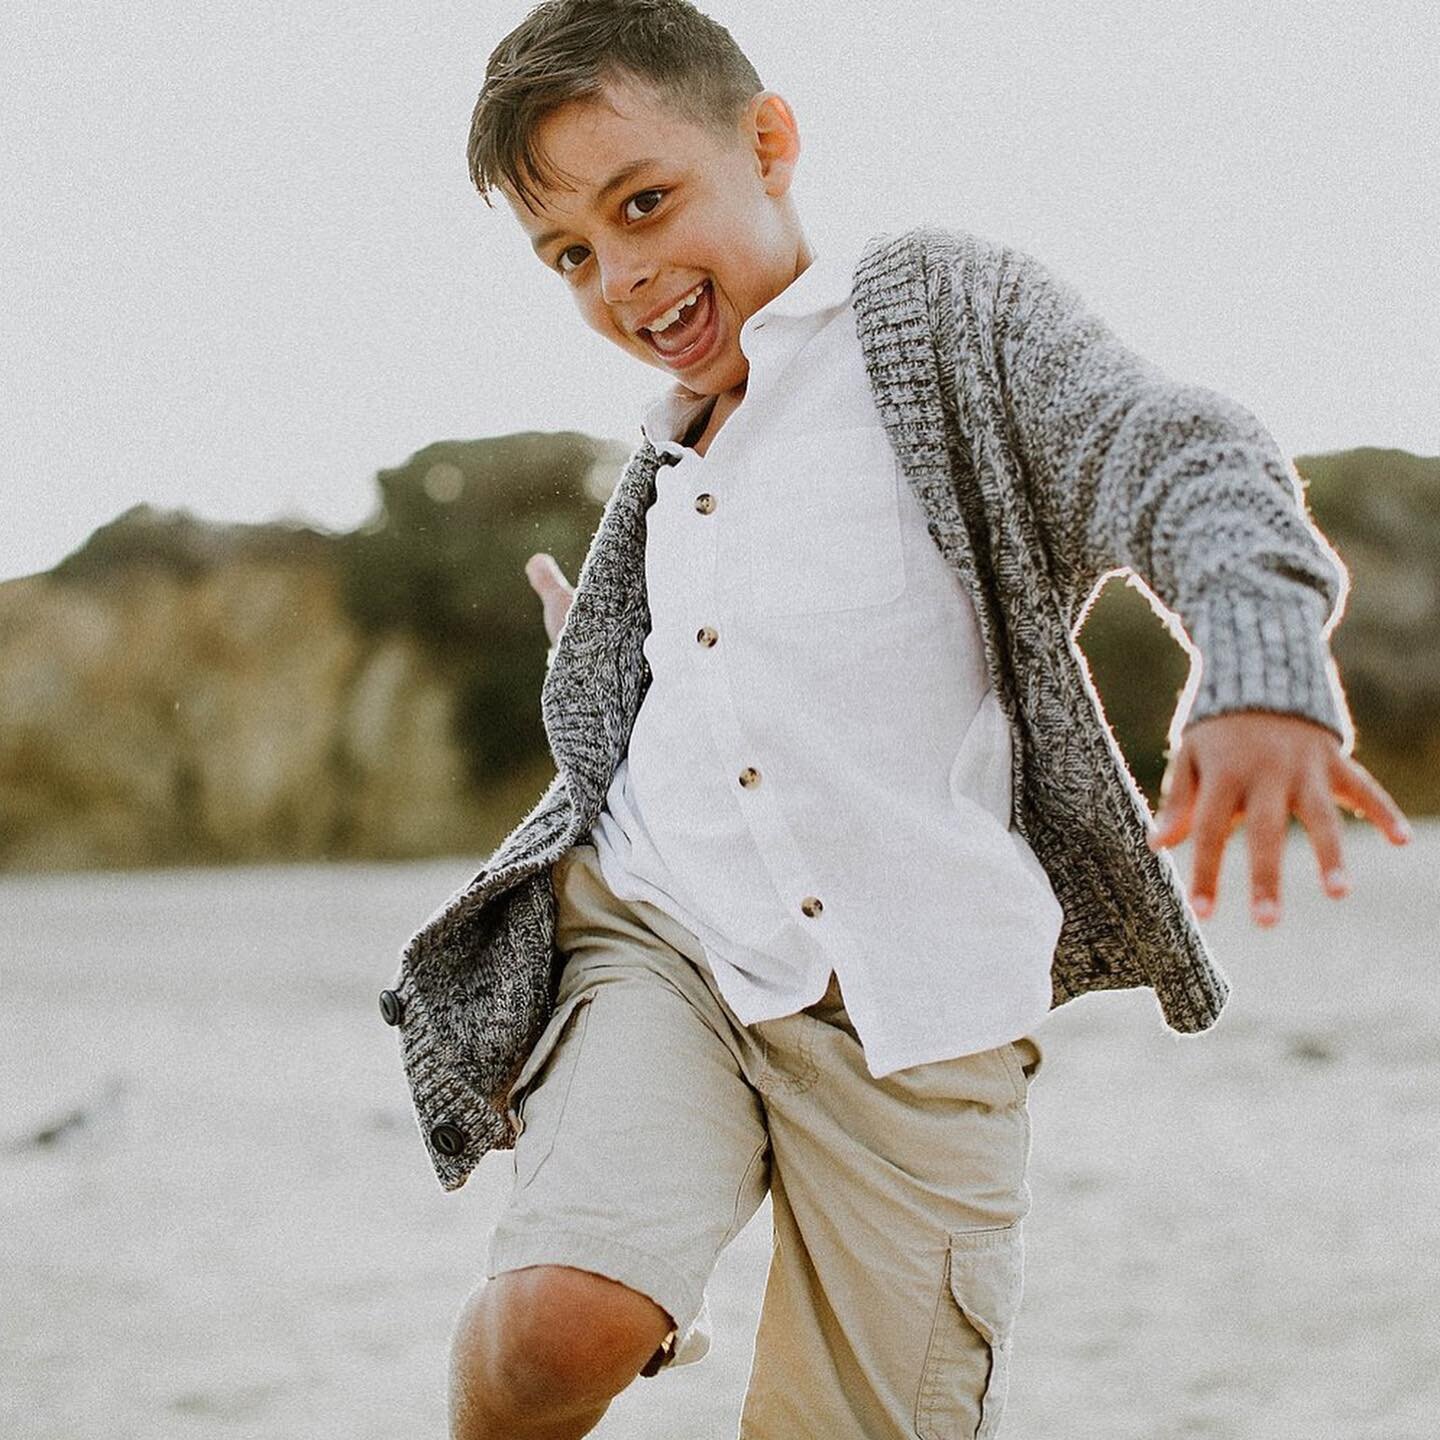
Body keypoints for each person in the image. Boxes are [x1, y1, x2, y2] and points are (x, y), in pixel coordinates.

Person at [376, 2, 1413, 1435]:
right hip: (661, 939)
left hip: (917, 1023)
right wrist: (607, 667)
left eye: (645, 202)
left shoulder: (934, 319)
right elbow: (710, 683)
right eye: (571, 256)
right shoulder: (671, 455)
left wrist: (1255, 662)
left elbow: (1174, 447)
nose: (623, 274)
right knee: (562, 1325)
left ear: (770, 140)